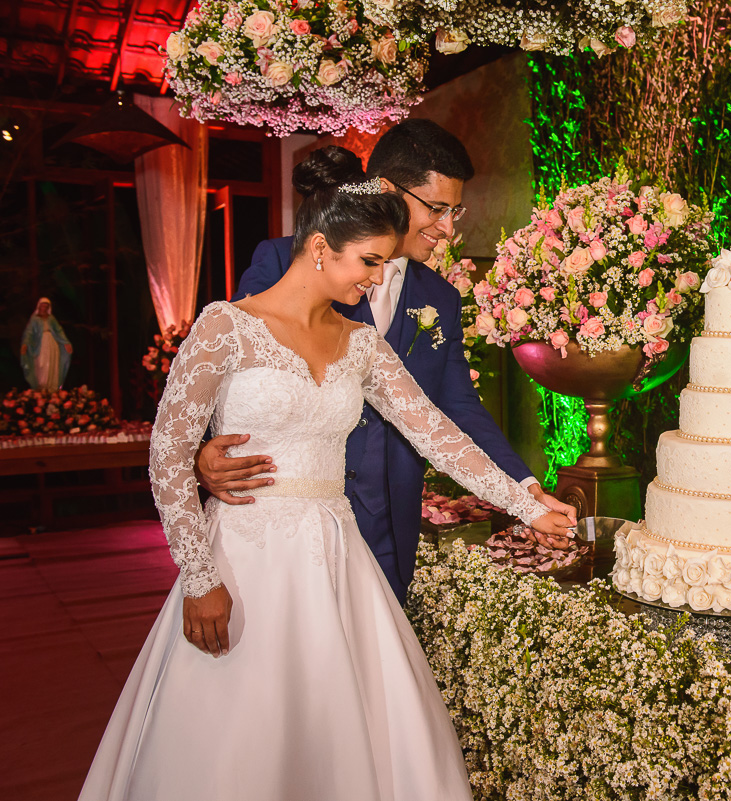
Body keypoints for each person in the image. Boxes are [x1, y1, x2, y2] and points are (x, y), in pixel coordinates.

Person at [78, 148, 573, 801]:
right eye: (369, 261)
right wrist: (199, 576)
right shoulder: (226, 326)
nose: (376, 279)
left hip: (336, 553)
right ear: (319, 247)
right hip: (242, 555)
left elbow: (437, 431)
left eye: (385, 264)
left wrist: (525, 501)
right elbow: (168, 450)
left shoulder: (362, 344)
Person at [195, 120, 575, 603]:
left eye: (455, 211)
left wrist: (527, 492)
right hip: (282, 520)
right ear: (385, 190)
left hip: (390, 519)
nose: (447, 228)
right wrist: (206, 452)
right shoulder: (285, 261)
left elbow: (458, 408)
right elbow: (229, 374)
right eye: (435, 209)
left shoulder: (440, 296)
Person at [21, 297, 72, 391]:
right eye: (42, 306)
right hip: (39, 344)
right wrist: (25, 344)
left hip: (52, 342)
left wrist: (66, 343)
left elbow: (59, 331)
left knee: (52, 363)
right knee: (41, 364)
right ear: (39, 306)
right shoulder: (35, 319)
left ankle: (51, 388)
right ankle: (41, 387)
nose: (44, 308)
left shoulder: (51, 318)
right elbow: (29, 332)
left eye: (46, 306)